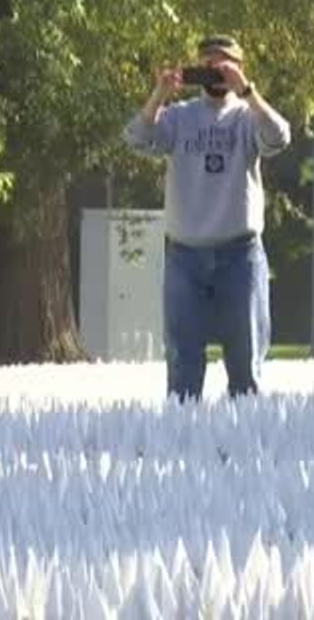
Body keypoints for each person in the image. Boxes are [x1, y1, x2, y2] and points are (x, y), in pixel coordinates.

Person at [122, 35, 292, 401]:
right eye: (207, 65)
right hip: (185, 254)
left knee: (246, 360)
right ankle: (184, 438)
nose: (214, 73)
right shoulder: (180, 117)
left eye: (223, 65)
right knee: (182, 361)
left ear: (238, 68)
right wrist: (160, 95)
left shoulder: (248, 117)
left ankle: (245, 436)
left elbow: (279, 137)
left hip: (240, 253)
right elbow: (136, 138)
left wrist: (247, 92)